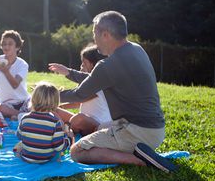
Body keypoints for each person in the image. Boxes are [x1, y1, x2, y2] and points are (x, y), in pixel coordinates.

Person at [49, 11, 177, 172]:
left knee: (77, 151)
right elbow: (94, 79)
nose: (94, 40)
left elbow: (80, 94)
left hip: (136, 132)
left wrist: (47, 95)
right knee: (99, 128)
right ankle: (141, 152)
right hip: (155, 129)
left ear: (105, 35)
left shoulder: (108, 65)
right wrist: (69, 72)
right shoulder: (136, 50)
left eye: (94, 34)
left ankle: (141, 159)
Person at [50, 44, 112, 136]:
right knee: (53, 110)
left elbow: (78, 97)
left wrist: (49, 95)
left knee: (79, 119)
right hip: (84, 122)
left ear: (94, 65)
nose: (81, 66)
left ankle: (67, 129)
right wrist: (59, 108)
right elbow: (77, 103)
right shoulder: (89, 82)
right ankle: (67, 128)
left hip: (99, 125)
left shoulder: (100, 83)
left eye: (84, 63)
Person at [16, 82, 72, 164]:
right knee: (60, 148)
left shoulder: (25, 118)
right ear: (55, 102)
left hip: (26, 157)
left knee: (19, 145)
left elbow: (19, 136)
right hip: (46, 158)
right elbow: (59, 147)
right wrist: (69, 139)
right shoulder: (55, 122)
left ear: (33, 99)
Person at [0, 30, 30, 118]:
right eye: (4, 44)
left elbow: (15, 85)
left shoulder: (22, 64)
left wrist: (5, 71)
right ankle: (22, 115)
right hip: (7, 103)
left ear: (17, 47)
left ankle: (19, 114)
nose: (6, 46)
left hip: (23, 100)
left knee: (37, 105)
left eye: (10, 44)